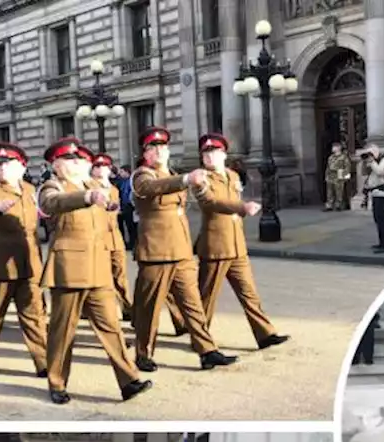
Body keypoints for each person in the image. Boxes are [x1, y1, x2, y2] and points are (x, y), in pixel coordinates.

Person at [38, 138, 152, 406]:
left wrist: (107, 206)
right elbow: (52, 204)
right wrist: (87, 197)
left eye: (79, 159)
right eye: (68, 159)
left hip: (98, 268)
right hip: (69, 269)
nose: (76, 163)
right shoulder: (53, 186)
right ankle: (57, 382)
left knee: (111, 327)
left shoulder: (95, 186)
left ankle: (128, 380)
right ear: (55, 165)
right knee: (62, 330)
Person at [131, 126, 237, 372]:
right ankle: (143, 353)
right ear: (145, 153)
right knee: (149, 308)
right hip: (156, 253)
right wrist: (186, 179)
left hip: (180, 250)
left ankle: (207, 350)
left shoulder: (172, 172)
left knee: (193, 305)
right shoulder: (142, 175)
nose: (158, 151)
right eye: (152, 147)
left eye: (162, 147)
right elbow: (151, 188)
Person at [191, 133, 289, 351]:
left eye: (214, 152)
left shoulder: (233, 176)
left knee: (249, 294)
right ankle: (200, 340)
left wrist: (242, 206)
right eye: (206, 153)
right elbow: (210, 202)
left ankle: (265, 334)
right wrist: (241, 208)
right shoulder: (201, 178)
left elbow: (233, 198)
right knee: (206, 298)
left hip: (236, 245)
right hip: (215, 245)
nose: (209, 157)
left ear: (224, 154)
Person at [0, 142, 50, 379]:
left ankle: (43, 361)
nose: (2, 167)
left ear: (22, 167)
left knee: (34, 315)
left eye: (8, 163)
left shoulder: (30, 190)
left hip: (28, 262)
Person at [89, 153, 133, 320]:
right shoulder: (88, 188)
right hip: (98, 239)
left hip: (115, 237)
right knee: (100, 280)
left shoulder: (113, 189)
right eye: (97, 166)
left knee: (120, 276)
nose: (101, 170)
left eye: (105, 166)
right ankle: (95, 312)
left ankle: (127, 308)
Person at [362, 145, 384, 253]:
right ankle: (382, 243)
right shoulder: (373, 163)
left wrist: (372, 162)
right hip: (376, 194)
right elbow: (364, 173)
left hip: (383, 194)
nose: (369, 156)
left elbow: (380, 172)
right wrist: (365, 163)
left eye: (371, 154)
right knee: (378, 219)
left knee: (381, 220)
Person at [324, 142, 352, 211]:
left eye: (334, 147)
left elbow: (347, 167)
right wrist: (326, 176)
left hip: (339, 175)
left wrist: (344, 176)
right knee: (329, 192)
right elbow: (328, 167)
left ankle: (338, 205)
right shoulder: (330, 157)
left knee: (339, 191)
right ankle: (329, 205)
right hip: (330, 176)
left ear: (339, 148)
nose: (333, 148)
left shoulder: (343, 157)